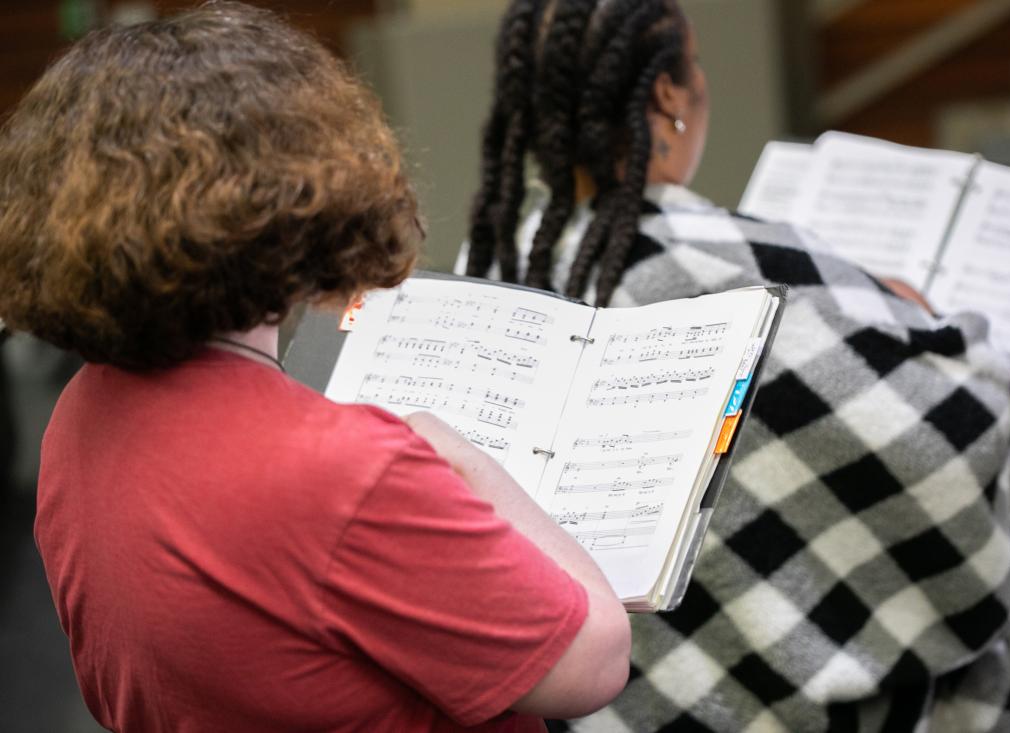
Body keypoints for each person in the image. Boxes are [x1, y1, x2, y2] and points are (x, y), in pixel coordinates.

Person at [0, 3, 631, 731]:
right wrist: (458, 454)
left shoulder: (76, 416)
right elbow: (595, 662)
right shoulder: (345, 470)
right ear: (301, 198)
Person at [461, 1, 1010, 730]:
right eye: (694, 66)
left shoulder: (498, 265)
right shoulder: (747, 269)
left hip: (589, 697)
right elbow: (947, 428)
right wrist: (931, 322)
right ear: (668, 95)